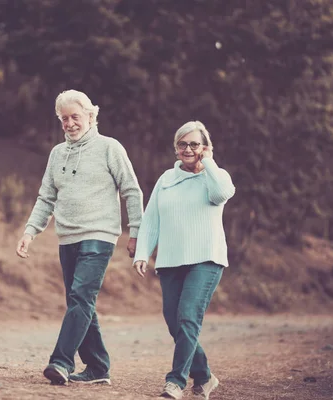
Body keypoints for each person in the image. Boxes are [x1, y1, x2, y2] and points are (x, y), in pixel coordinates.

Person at [16, 89, 143, 386]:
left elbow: (131, 190)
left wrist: (135, 231)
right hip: (67, 237)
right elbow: (46, 198)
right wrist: (29, 231)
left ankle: (60, 362)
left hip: (99, 236)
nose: (70, 123)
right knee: (79, 302)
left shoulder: (110, 148)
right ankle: (98, 367)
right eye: (64, 119)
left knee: (81, 298)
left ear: (90, 115)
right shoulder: (57, 153)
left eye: (75, 116)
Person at [132, 121, 235, 400]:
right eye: (182, 144)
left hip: (206, 259)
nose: (188, 149)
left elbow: (222, 194)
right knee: (173, 320)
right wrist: (143, 252)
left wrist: (209, 163)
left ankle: (175, 382)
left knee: (188, 317)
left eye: (194, 144)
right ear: (176, 148)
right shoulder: (166, 179)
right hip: (170, 260)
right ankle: (203, 376)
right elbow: (152, 219)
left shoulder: (215, 177)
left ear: (204, 147)